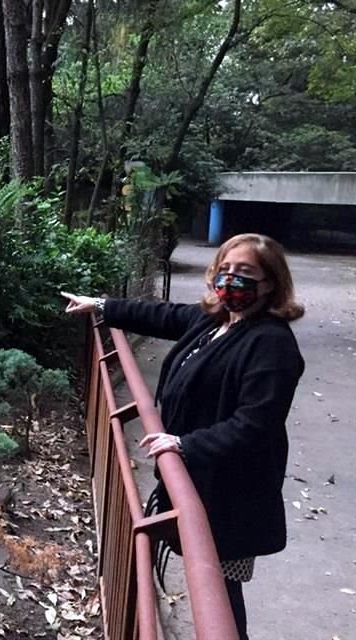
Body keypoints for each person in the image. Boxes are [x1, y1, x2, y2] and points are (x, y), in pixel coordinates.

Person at [61, 233, 305, 640]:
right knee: (212, 586)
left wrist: (185, 444)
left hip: (230, 497)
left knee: (220, 594)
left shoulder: (272, 345)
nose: (230, 280)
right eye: (224, 270)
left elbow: (255, 426)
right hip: (201, 483)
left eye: (244, 273)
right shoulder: (215, 321)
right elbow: (164, 316)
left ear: (270, 283)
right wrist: (103, 306)